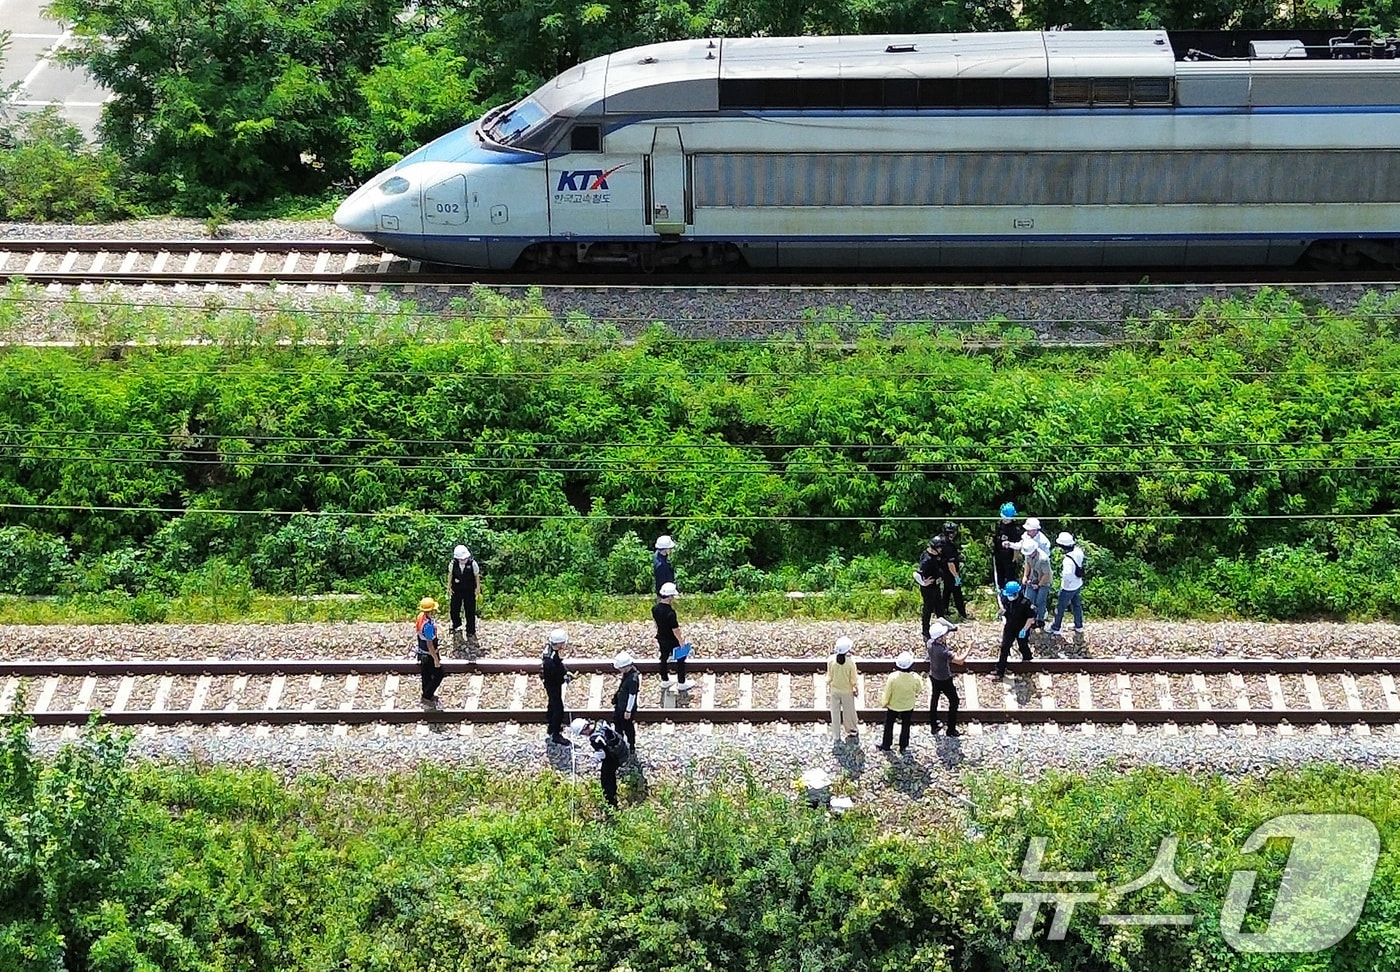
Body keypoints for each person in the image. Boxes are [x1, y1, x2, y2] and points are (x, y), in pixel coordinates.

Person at [571, 717, 630, 808]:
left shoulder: (594, 739)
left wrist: (594, 758)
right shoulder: (600, 722)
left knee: (607, 779)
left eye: (582, 733)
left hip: (615, 758)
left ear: (583, 730)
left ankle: (611, 802)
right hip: (622, 748)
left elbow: (603, 754)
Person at [926, 618, 967, 737]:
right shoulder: (943, 651)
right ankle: (951, 729)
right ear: (939, 638)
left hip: (933, 675)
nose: (946, 636)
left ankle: (933, 725)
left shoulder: (929, 643)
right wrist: (969, 648)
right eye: (944, 635)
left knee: (935, 698)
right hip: (944, 679)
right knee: (954, 701)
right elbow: (959, 661)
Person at [875, 651, 923, 754]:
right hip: (908, 706)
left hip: (893, 705)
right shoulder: (915, 678)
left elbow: (888, 692)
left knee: (889, 725)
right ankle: (903, 746)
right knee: (906, 725)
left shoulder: (893, 677)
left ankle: (886, 745)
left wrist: (884, 702)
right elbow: (919, 689)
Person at [652, 582, 692, 692]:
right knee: (681, 659)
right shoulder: (670, 613)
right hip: (672, 640)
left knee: (663, 658)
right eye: (672, 596)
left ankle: (665, 680)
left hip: (661, 637)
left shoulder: (655, 609)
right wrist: (681, 642)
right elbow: (676, 630)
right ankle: (681, 682)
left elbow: (656, 623)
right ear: (669, 597)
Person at [995, 581, 1036, 679]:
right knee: (1004, 648)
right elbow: (1005, 609)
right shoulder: (1006, 599)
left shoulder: (1025, 603)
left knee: (1023, 646)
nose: (1009, 596)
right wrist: (1001, 613)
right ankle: (1000, 671)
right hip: (1010, 627)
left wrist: (1024, 630)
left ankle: (1028, 663)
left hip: (1022, 628)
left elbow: (1031, 618)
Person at [541, 628, 573, 746]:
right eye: (563, 643)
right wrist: (564, 676)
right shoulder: (550, 659)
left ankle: (551, 725)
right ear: (559, 644)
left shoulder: (550, 652)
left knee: (552, 704)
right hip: (553, 685)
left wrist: (565, 672)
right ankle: (555, 734)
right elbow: (554, 672)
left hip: (551, 683)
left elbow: (559, 665)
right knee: (558, 708)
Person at [1050, 532, 1087, 634]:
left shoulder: (1067, 560)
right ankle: (1078, 625)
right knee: (1076, 605)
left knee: (1060, 607)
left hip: (1068, 587)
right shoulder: (1079, 551)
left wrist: (1064, 585)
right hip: (1078, 583)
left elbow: (1067, 575)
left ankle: (1056, 627)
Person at [826, 636, 860, 742]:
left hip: (834, 690)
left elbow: (829, 676)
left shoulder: (831, 660)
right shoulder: (850, 663)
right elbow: (853, 679)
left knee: (835, 713)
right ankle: (852, 730)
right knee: (849, 712)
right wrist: (856, 688)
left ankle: (836, 734)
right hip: (847, 691)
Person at [991, 504, 1023, 617]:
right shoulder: (998, 525)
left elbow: (1017, 547)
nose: (1004, 519)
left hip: (1009, 558)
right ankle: (1001, 598)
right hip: (999, 556)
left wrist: (1014, 559)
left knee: (1009, 578)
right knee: (999, 578)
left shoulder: (1015, 529)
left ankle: (1011, 602)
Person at [914, 536, 947, 640]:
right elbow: (916, 574)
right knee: (928, 609)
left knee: (939, 608)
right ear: (934, 548)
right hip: (929, 589)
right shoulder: (926, 560)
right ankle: (925, 632)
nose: (941, 550)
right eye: (940, 548)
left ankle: (943, 627)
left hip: (936, 586)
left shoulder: (933, 555)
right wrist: (924, 583)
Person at [414, 596, 445, 707]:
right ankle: (427, 695)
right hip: (428, 653)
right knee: (439, 675)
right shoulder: (428, 626)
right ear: (431, 610)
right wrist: (436, 659)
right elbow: (430, 644)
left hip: (422, 652)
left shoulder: (421, 617)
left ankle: (426, 694)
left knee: (426, 675)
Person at [447, 544, 481, 640]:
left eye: (465, 558)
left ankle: (470, 629)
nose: (464, 560)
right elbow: (450, 575)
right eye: (461, 559)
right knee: (454, 608)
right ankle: (456, 625)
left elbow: (477, 576)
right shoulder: (453, 564)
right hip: (456, 589)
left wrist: (478, 588)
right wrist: (448, 587)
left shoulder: (473, 563)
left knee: (470, 610)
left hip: (469, 590)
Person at [939, 521, 969, 621]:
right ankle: (962, 614)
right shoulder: (948, 545)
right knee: (957, 594)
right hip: (950, 572)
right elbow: (950, 563)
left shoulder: (941, 540)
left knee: (946, 592)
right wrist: (956, 576)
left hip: (942, 571)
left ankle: (943, 611)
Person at [1020, 535, 1052, 628]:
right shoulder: (1028, 555)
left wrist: (1039, 585)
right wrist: (1025, 576)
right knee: (1028, 599)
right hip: (1032, 579)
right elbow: (1028, 565)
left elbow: (1046, 575)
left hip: (1044, 582)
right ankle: (1029, 619)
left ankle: (1040, 620)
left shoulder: (1043, 559)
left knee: (1040, 601)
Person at [611, 652, 640, 754]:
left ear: (625, 667)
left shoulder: (632, 679)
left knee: (628, 727)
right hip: (620, 705)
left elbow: (632, 695)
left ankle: (631, 745)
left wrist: (628, 711)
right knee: (618, 725)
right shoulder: (628, 674)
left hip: (625, 708)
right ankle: (620, 743)